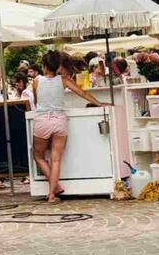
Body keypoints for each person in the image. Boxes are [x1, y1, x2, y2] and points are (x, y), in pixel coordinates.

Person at [32, 51, 107, 203]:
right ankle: (52, 194)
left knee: (38, 156)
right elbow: (82, 93)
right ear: (57, 66)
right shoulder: (64, 80)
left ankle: (55, 187)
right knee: (56, 159)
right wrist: (99, 104)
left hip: (42, 120)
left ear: (44, 66)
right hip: (59, 120)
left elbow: (36, 100)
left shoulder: (36, 80)